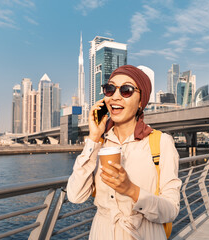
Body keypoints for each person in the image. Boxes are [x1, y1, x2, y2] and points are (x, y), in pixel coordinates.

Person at [67, 65, 182, 240]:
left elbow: (171, 210)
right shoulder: (100, 144)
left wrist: (131, 190)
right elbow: (75, 196)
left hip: (145, 234)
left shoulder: (161, 142)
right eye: (110, 89)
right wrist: (93, 138)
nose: (116, 96)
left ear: (141, 102)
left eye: (126, 90)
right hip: (102, 233)